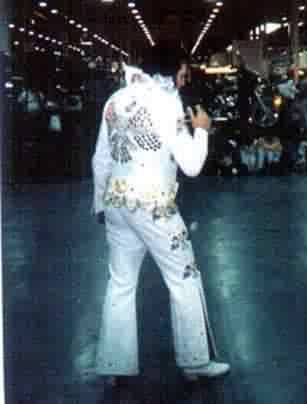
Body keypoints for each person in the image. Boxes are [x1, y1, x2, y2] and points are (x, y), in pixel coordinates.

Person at [92, 44, 230, 386]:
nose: (184, 81)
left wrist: (99, 204)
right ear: (169, 72)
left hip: (117, 203)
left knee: (120, 283)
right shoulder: (168, 103)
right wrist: (202, 130)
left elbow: (101, 158)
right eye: (183, 73)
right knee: (184, 277)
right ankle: (195, 361)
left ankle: (113, 366)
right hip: (154, 206)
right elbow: (192, 165)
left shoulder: (115, 100)